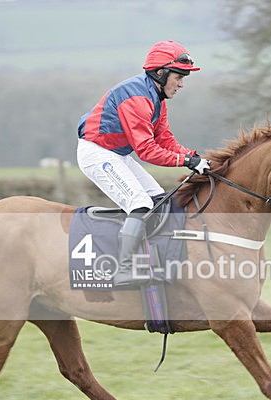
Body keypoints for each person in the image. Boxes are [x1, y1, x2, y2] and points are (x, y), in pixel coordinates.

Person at [77, 40, 210, 286]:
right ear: (160, 73)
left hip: (116, 154)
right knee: (140, 204)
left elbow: (165, 140)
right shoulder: (137, 98)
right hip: (97, 153)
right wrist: (185, 160)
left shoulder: (157, 99)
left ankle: (150, 259)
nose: (181, 84)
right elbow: (147, 151)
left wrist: (194, 157)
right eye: (178, 77)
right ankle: (123, 269)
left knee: (159, 201)